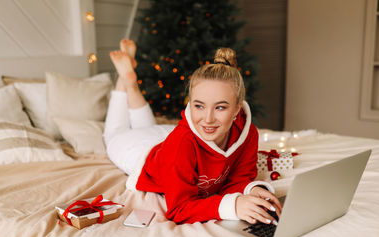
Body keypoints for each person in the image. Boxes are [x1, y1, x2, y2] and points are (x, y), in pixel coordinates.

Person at [104, 39, 282, 224]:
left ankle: (130, 83)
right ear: (191, 104)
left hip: (165, 138)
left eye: (220, 108)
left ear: (238, 108)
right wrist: (233, 206)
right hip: (139, 152)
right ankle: (125, 82)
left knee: (147, 128)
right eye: (199, 106)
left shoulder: (248, 133)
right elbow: (179, 209)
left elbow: (237, 179)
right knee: (114, 135)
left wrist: (251, 190)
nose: (208, 118)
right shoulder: (181, 143)